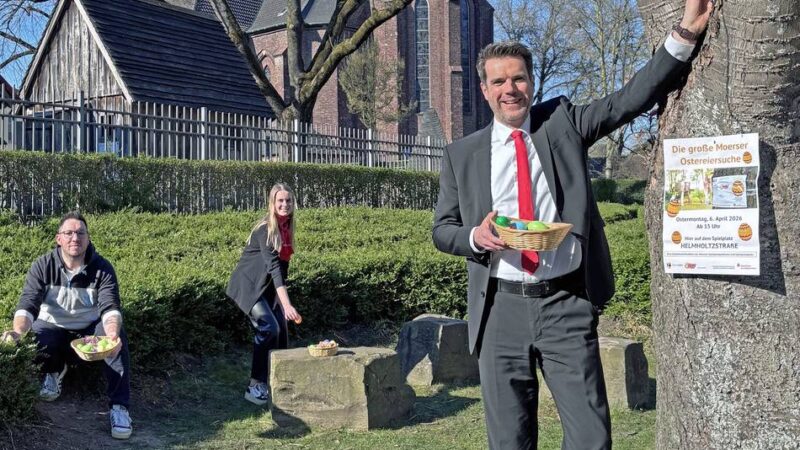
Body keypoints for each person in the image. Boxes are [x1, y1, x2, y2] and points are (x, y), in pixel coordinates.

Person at [432, 1, 714, 448]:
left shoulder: (562, 123)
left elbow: (628, 99)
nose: (510, 89)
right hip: (499, 311)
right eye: (499, 81)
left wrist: (684, 35)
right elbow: (442, 229)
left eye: (518, 78)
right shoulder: (461, 155)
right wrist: (475, 237)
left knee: (590, 438)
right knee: (509, 441)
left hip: (565, 303)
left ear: (531, 82)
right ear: (484, 90)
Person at [0, 211, 132, 440]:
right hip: (52, 325)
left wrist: (111, 334)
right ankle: (53, 371)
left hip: (90, 327)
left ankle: (119, 408)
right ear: (58, 238)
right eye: (68, 233)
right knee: (38, 334)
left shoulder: (102, 268)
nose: (75, 238)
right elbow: (27, 305)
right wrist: (17, 332)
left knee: (116, 339)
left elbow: (110, 307)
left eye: (81, 233)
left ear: (88, 238)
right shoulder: (42, 265)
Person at [227, 182, 302, 406]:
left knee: (281, 328)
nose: (285, 204)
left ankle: (278, 382)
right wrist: (287, 305)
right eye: (280, 200)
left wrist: (280, 301)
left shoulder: (287, 228)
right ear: (272, 203)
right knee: (269, 327)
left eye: (288, 200)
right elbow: (273, 267)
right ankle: (254, 386)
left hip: (266, 288)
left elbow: (283, 268)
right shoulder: (265, 229)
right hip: (248, 287)